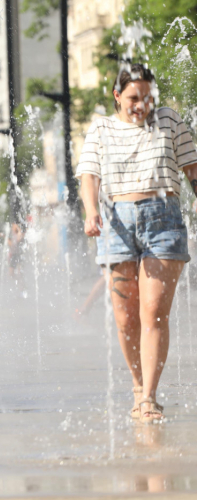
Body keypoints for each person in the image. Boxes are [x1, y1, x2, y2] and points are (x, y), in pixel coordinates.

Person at [77, 63, 197, 424]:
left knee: (153, 313)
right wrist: (89, 211)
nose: (141, 105)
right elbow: (89, 173)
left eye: (147, 97)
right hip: (116, 222)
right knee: (125, 319)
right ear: (117, 96)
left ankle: (149, 398)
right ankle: (136, 383)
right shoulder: (101, 127)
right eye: (132, 97)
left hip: (163, 221)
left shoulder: (170, 121)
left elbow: (193, 170)